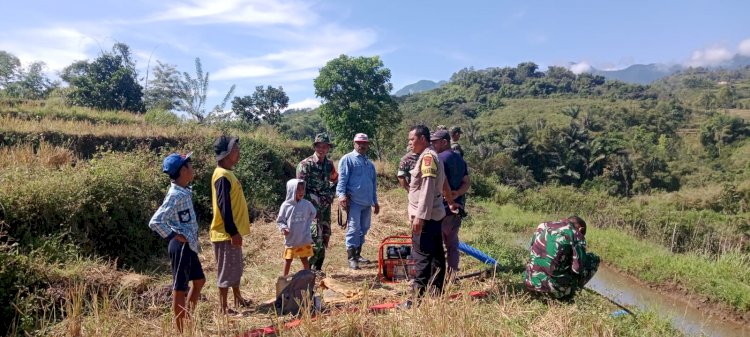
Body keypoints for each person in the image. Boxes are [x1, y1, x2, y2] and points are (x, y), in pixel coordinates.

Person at [148, 152, 205, 333]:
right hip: (180, 247)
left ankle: (188, 320)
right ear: (182, 170)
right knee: (180, 287)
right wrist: (173, 236)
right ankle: (182, 331)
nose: (192, 168)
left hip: (189, 245)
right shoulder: (175, 195)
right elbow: (156, 221)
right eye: (189, 165)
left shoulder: (184, 191)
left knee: (200, 281)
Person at [406, 125, 459, 298]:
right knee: (436, 255)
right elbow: (443, 183)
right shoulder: (432, 156)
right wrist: (450, 201)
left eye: (412, 139)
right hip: (435, 215)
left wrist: (420, 217)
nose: (410, 143)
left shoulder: (428, 157)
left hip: (426, 217)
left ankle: (416, 298)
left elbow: (427, 188)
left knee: (421, 256)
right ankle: (436, 292)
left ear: (422, 138)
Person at [210, 136, 252, 314]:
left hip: (231, 233)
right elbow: (224, 206)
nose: (239, 152)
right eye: (236, 149)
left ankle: (238, 298)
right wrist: (232, 231)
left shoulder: (228, 173)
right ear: (227, 154)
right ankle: (222, 307)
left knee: (235, 267)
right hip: (225, 234)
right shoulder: (222, 176)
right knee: (226, 271)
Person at [523, 216, 600, 299]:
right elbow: (577, 269)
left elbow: (531, 248)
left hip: (529, 282)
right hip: (552, 291)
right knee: (594, 259)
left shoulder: (543, 225)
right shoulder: (576, 234)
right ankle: (573, 291)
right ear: (581, 229)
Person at [336, 133, 380, 270]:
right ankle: (351, 258)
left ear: (367, 145)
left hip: (367, 202)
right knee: (354, 229)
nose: (361, 145)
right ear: (354, 143)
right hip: (353, 201)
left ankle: (358, 253)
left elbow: (373, 184)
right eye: (359, 143)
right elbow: (342, 179)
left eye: (364, 143)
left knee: (364, 229)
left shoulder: (369, 163)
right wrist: (341, 195)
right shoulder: (347, 159)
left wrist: (375, 201)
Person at [296, 133, 338, 272]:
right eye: (319, 146)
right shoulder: (305, 165)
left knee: (325, 236)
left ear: (328, 148)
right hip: (310, 209)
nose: (322, 149)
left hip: (325, 208)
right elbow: (299, 188)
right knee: (314, 238)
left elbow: (336, 180)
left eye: (325, 147)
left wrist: (330, 195)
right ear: (315, 147)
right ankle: (308, 270)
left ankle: (318, 269)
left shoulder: (329, 164)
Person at [431, 130, 470, 277]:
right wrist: (458, 193)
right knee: (452, 244)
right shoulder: (460, 160)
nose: (433, 144)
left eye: (435, 142)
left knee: (437, 245)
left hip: (441, 208)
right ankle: (452, 274)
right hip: (457, 208)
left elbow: (442, 183)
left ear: (445, 142)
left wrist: (449, 199)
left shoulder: (438, 159)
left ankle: (437, 276)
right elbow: (467, 182)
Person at [277, 179, 317, 277]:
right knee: (288, 259)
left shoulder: (306, 204)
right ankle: (284, 279)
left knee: (304, 259)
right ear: (291, 190)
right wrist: (284, 228)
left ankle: (307, 277)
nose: (301, 192)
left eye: (302, 189)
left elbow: (313, 213)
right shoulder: (286, 205)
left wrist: (308, 222)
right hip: (292, 239)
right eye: (298, 189)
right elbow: (280, 220)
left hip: (303, 238)